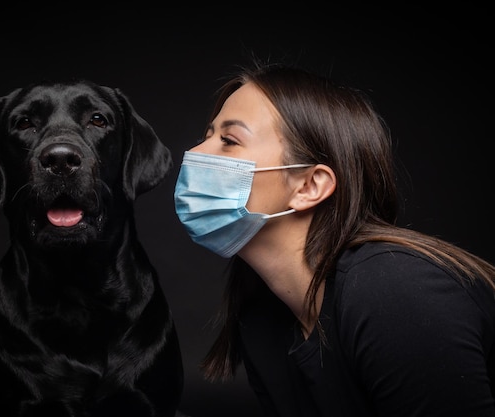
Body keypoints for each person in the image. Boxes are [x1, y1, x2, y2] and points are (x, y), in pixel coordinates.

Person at [173, 61, 495, 417]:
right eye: (207, 135)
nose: (196, 154)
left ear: (310, 186)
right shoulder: (263, 320)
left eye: (229, 141)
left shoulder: (396, 291)